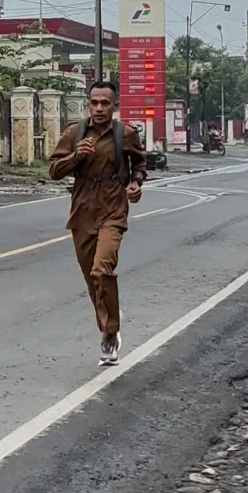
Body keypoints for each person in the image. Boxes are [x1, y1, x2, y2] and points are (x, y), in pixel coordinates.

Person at [48, 81, 147, 365]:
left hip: (113, 210)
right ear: (88, 103)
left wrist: (136, 184)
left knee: (103, 270)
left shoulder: (125, 134)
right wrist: (76, 156)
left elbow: (140, 164)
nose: (100, 108)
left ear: (115, 105)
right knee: (92, 278)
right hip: (81, 212)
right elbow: (54, 170)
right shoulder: (74, 134)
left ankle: (109, 333)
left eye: (106, 103)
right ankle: (108, 320)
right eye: (95, 103)